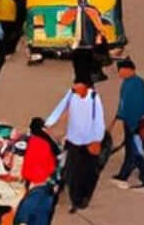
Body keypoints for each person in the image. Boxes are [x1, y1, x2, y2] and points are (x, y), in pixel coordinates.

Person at [46, 75, 109, 211]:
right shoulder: (73, 97)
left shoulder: (93, 100)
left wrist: (96, 140)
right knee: (71, 171)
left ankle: (80, 200)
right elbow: (61, 109)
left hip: (87, 144)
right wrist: (49, 124)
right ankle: (73, 195)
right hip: (74, 141)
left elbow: (98, 121)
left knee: (84, 174)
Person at [111, 56, 144, 192]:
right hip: (136, 123)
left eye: (120, 71)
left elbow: (133, 105)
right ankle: (132, 176)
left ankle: (135, 179)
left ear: (128, 70)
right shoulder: (135, 82)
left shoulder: (132, 84)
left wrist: (126, 121)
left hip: (135, 125)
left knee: (134, 153)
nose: (118, 74)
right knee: (134, 152)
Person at [13, 119, 61, 225]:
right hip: (44, 180)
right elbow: (53, 164)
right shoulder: (49, 142)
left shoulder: (26, 140)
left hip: (35, 181)